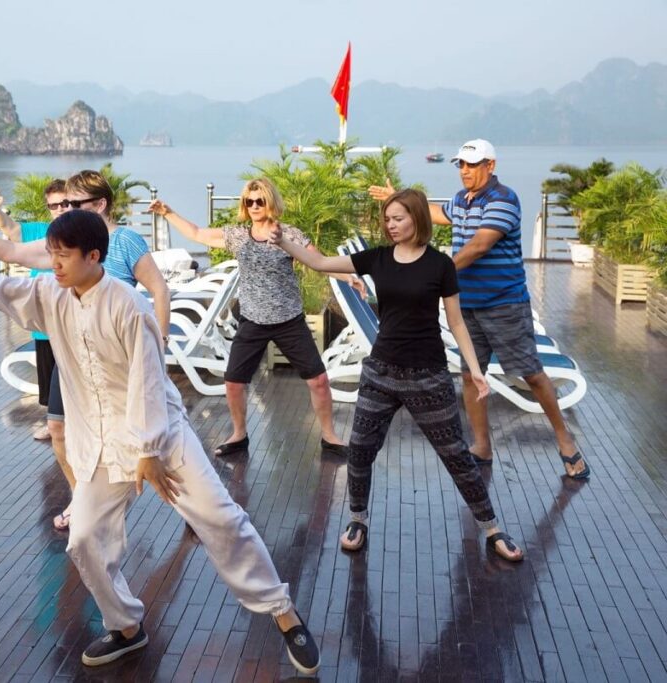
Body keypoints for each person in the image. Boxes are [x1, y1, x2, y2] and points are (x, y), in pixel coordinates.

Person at [0, 210, 321, 674]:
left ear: (93, 256)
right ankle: (126, 625)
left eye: (63, 255)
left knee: (221, 520)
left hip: (161, 436)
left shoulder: (128, 304)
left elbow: (149, 379)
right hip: (101, 440)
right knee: (84, 537)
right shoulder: (49, 294)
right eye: (52, 254)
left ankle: (283, 613)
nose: (54, 263)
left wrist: (148, 451)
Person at [272, 189, 523, 561]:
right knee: (359, 451)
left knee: (455, 454)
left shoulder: (440, 266)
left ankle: (491, 526)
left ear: (417, 219)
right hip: (382, 371)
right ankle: (358, 518)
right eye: (387, 219)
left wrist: (474, 370)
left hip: (428, 375)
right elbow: (322, 263)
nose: (390, 225)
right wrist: (286, 243)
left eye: (398, 218)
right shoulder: (378, 258)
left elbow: (455, 321)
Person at [0, 169, 171, 530]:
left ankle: (192, 504)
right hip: (71, 346)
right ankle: (82, 500)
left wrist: (159, 343)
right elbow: (14, 251)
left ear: (99, 204)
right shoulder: (64, 240)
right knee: (58, 429)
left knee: (151, 441)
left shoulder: (126, 242)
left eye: (74, 202)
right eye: (62, 202)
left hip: (118, 354)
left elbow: (159, 290)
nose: (65, 208)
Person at [369, 140, 589, 479]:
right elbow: (437, 213)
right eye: (461, 165)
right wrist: (398, 198)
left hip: (504, 303)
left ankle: (564, 439)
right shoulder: (461, 200)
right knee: (473, 376)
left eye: (473, 164)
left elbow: (479, 245)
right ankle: (482, 447)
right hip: (467, 304)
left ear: (491, 165)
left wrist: (434, 273)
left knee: (530, 373)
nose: (465, 171)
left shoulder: (504, 199)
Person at [149, 178, 348, 458]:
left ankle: (329, 436)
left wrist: (350, 278)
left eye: (260, 200)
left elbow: (320, 262)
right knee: (233, 381)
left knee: (318, 380)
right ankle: (239, 435)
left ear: (271, 202)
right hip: (252, 320)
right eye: (249, 201)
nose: (254, 206)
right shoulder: (238, 235)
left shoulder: (288, 233)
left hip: (289, 319)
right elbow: (196, 233)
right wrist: (168, 213)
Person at [0, 180, 69, 445]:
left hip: (72, 320)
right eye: (53, 205)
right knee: (49, 377)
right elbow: (11, 230)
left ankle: (76, 424)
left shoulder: (85, 234)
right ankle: (54, 421)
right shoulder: (40, 232)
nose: (59, 209)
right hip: (44, 323)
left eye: (64, 203)